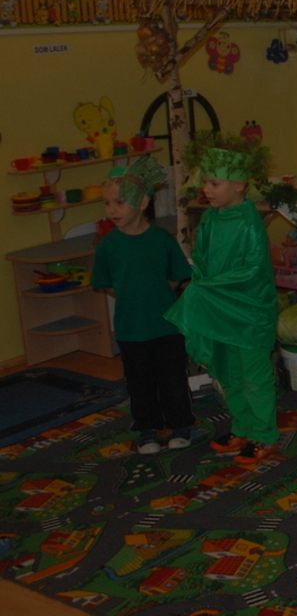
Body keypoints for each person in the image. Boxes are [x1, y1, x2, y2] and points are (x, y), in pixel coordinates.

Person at [165, 143, 279, 466]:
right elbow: (202, 259)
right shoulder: (211, 219)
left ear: (239, 184)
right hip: (220, 311)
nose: (206, 189)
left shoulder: (249, 223)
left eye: (214, 183)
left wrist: (205, 289)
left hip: (249, 313)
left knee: (254, 376)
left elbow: (252, 271)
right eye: (205, 182)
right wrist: (204, 288)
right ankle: (242, 427)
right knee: (229, 373)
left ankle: (264, 434)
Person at [93, 155, 194, 455]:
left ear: (144, 202)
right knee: (139, 382)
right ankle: (148, 428)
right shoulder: (108, 245)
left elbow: (176, 276)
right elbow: (106, 282)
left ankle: (180, 425)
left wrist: (157, 293)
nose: (112, 210)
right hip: (130, 329)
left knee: (173, 379)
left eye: (119, 202)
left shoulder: (162, 239)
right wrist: (131, 294)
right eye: (107, 203)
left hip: (166, 326)